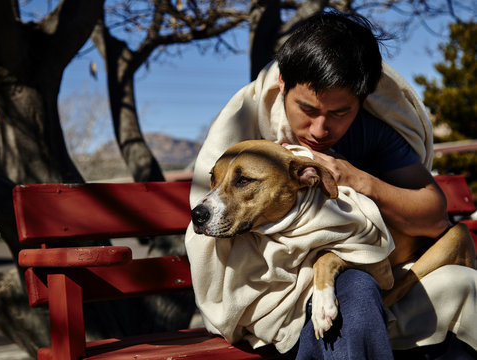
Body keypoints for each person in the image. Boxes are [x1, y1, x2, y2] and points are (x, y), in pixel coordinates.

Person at [185, 11, 477, 359]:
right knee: (356, 290)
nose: (320, 130)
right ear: (282, 83)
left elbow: (434, 218)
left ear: (362, 99)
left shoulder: (371, 132)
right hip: (280, 288)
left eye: (340, 113)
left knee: (363, 289)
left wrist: (358, 179)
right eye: (306, 109)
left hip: (370, 275)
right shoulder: (245, 129)